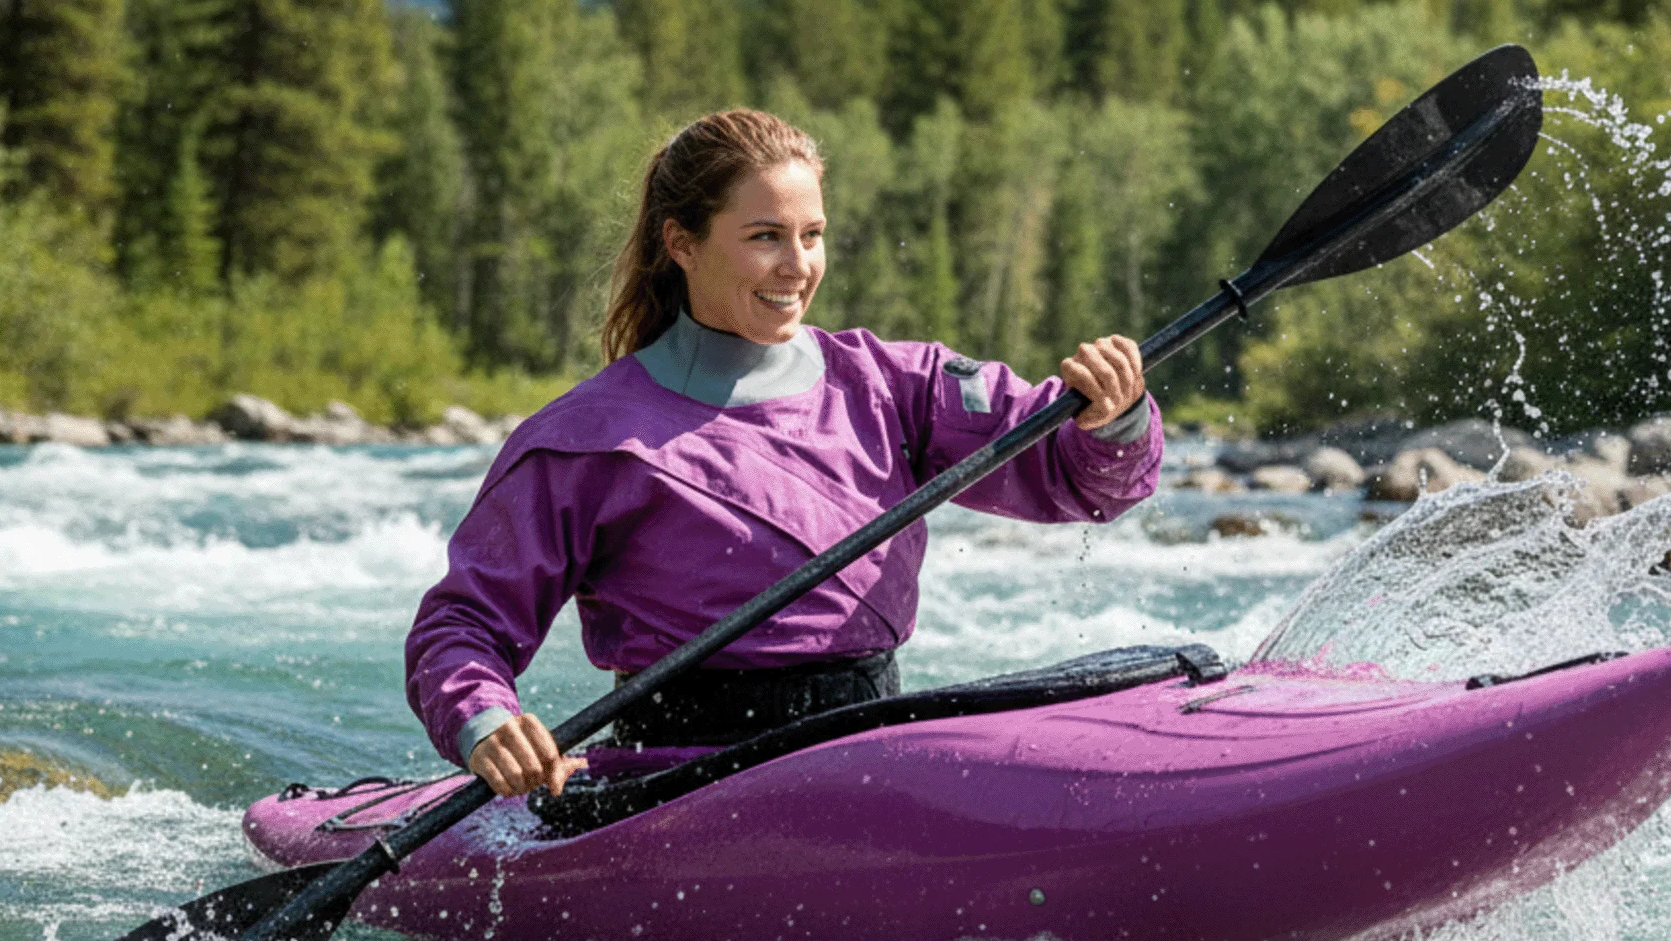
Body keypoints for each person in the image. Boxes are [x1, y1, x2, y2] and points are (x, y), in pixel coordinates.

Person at [405, 108, 1161, 800]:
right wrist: (487, 723)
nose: (798, 266)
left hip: (870, 752)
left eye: (812, 233)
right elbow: (460, 628)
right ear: (682, 244)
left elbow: (1075, 479)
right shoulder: (587, 440)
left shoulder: (894, 385)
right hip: (676, 782)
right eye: (765, 236)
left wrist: (1113, 415)